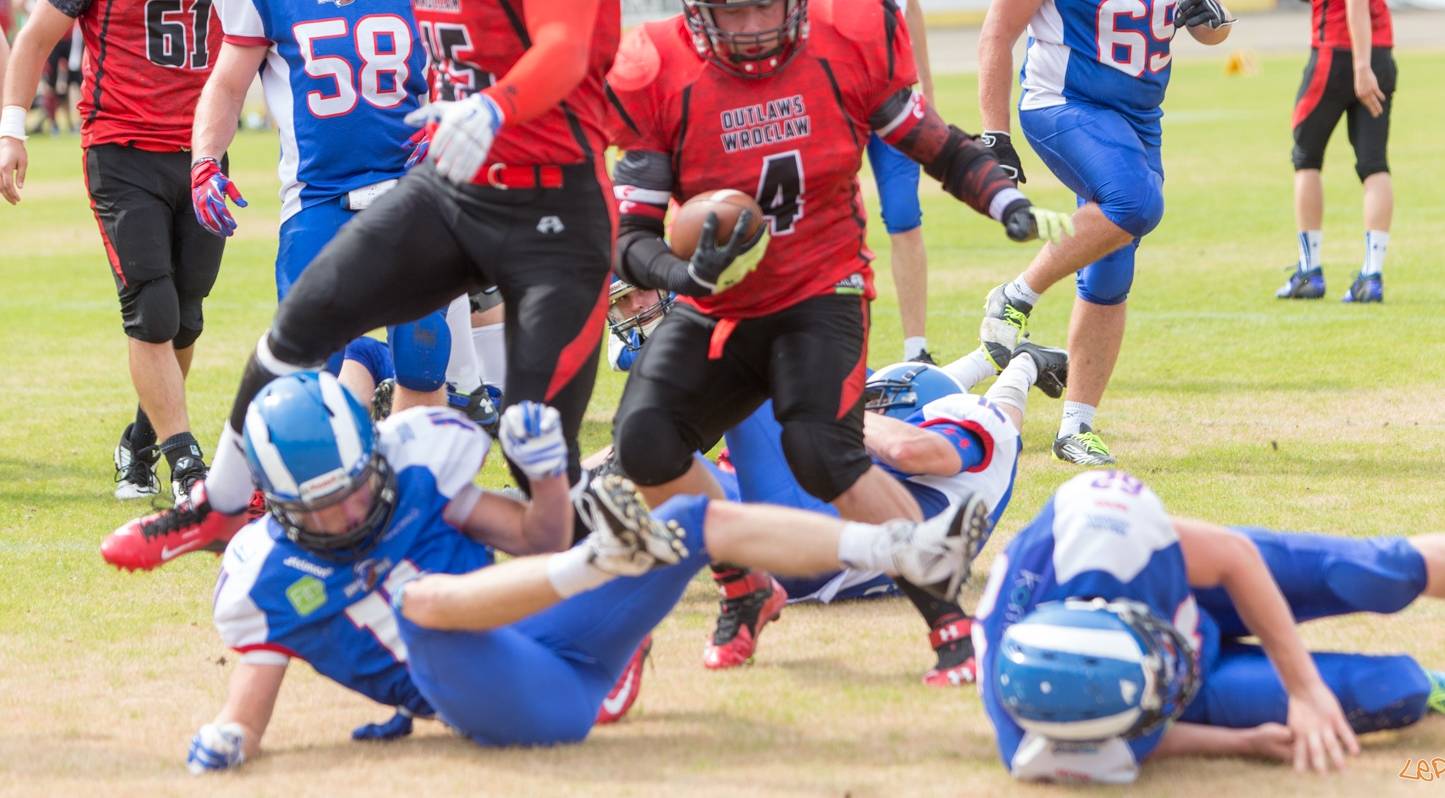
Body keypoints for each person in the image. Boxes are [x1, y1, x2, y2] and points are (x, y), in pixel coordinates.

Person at [108, 0, 624, 569]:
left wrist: (483, 106)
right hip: (425, 190)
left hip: (548, 195)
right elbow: (232, 80)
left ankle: (625, 550)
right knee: (298, 328)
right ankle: (224, 501)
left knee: (535, 440)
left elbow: (565, 46)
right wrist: (208, 159)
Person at [604, 0, 1067, 669]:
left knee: (823, 450)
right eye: (732, 8)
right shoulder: (660, 71)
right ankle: (743, 580)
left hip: (819, 290)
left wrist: (1000, 196)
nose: (751, 25)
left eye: (765, 4)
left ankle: (949, 619)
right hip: (722, 306)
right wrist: (683, 276)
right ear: (697, 11)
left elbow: (935, 145)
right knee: (644, 441)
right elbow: (630, 239)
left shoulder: (845, 41)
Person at [183, 371, 986, 772]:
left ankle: (902, 550)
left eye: (355, 487)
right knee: (419, 601)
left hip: (552, 626)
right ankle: (603, 564)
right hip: (498, 694)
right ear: (277, 504)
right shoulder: (265, 573)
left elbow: (536, 532)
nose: (348, 515)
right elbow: (247, 706)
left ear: (372, 455)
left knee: (691, 518)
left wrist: (548, 476)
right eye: (320, 507)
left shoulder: (417, 464)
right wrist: (232, 735)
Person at [96, 0, 476, 570]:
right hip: (322, 202)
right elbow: (227, 83)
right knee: (304, 367)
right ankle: (267, 504)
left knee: (423, 364)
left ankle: (396, 523)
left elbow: (462, 63)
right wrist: (206, 160)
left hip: (416, 193)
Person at [974, 469, 1445, 783]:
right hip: (1182, 667)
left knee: (1377, 572)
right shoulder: (1036, 738)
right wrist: (1245, 745)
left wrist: (1302, 687)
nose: (1176, 674)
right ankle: (1435, 687)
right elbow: (1140, 742)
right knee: (1391, 694)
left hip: (1194, 588)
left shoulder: (1096, 533)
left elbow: (1236, 558)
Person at [0, 0, 266, 503]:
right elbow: (34, 41)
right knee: (150, 309)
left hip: (205, 148)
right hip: (122, 148)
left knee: (188, 311)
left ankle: (141, 439)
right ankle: (183, 459)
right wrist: (12, 127)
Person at [974, 0, 1233, 468]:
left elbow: (1212, 31)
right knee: (1136, 202)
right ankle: (1015, 295)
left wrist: (1209, 16)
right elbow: (998, 33)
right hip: (1063, 104)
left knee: (1113, 266)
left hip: (1140, 114)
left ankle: (1077, 424)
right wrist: (994, 136)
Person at [720, 347, 1064, 686]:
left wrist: (831, 413)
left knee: (747, 360)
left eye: (878, 399)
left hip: (811, 544)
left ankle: (746, 593)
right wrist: (1024, 367)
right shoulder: (968, 438)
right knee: (678, 482)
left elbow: (909, 448)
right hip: (819, 548)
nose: (869, 407)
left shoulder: (967, 416)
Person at [761, 0, 942, 364]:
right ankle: (804, 342)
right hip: (825, 91)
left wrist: (926, 84)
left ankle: (917, 349)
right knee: (814, 217)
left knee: (905, 216)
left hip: (888, 88)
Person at [1242, 0, 1395, 304]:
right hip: (1381, 50)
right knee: (1372, 165)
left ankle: (1310, 272)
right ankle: (1371, 276)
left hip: (1339, 56)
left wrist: (1359, 68)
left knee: (1306, 159)